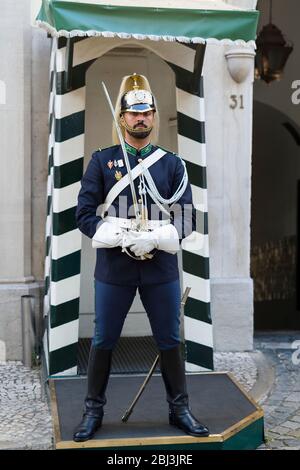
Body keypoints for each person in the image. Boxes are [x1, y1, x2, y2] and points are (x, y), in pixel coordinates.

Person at [73, 73, 209, 442]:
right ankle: (93, 411)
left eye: (147, 112)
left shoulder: (172, 164)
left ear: (154, 115)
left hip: (160, 267)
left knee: (168, 339)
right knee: (103, 340)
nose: (141, 119)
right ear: (121, 117)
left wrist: (158, 238)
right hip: (115, 267)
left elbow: (185, 216)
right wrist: (114, 235)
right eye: (133, 113)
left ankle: (179, 408)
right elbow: (84, 213)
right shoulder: (102, 162)